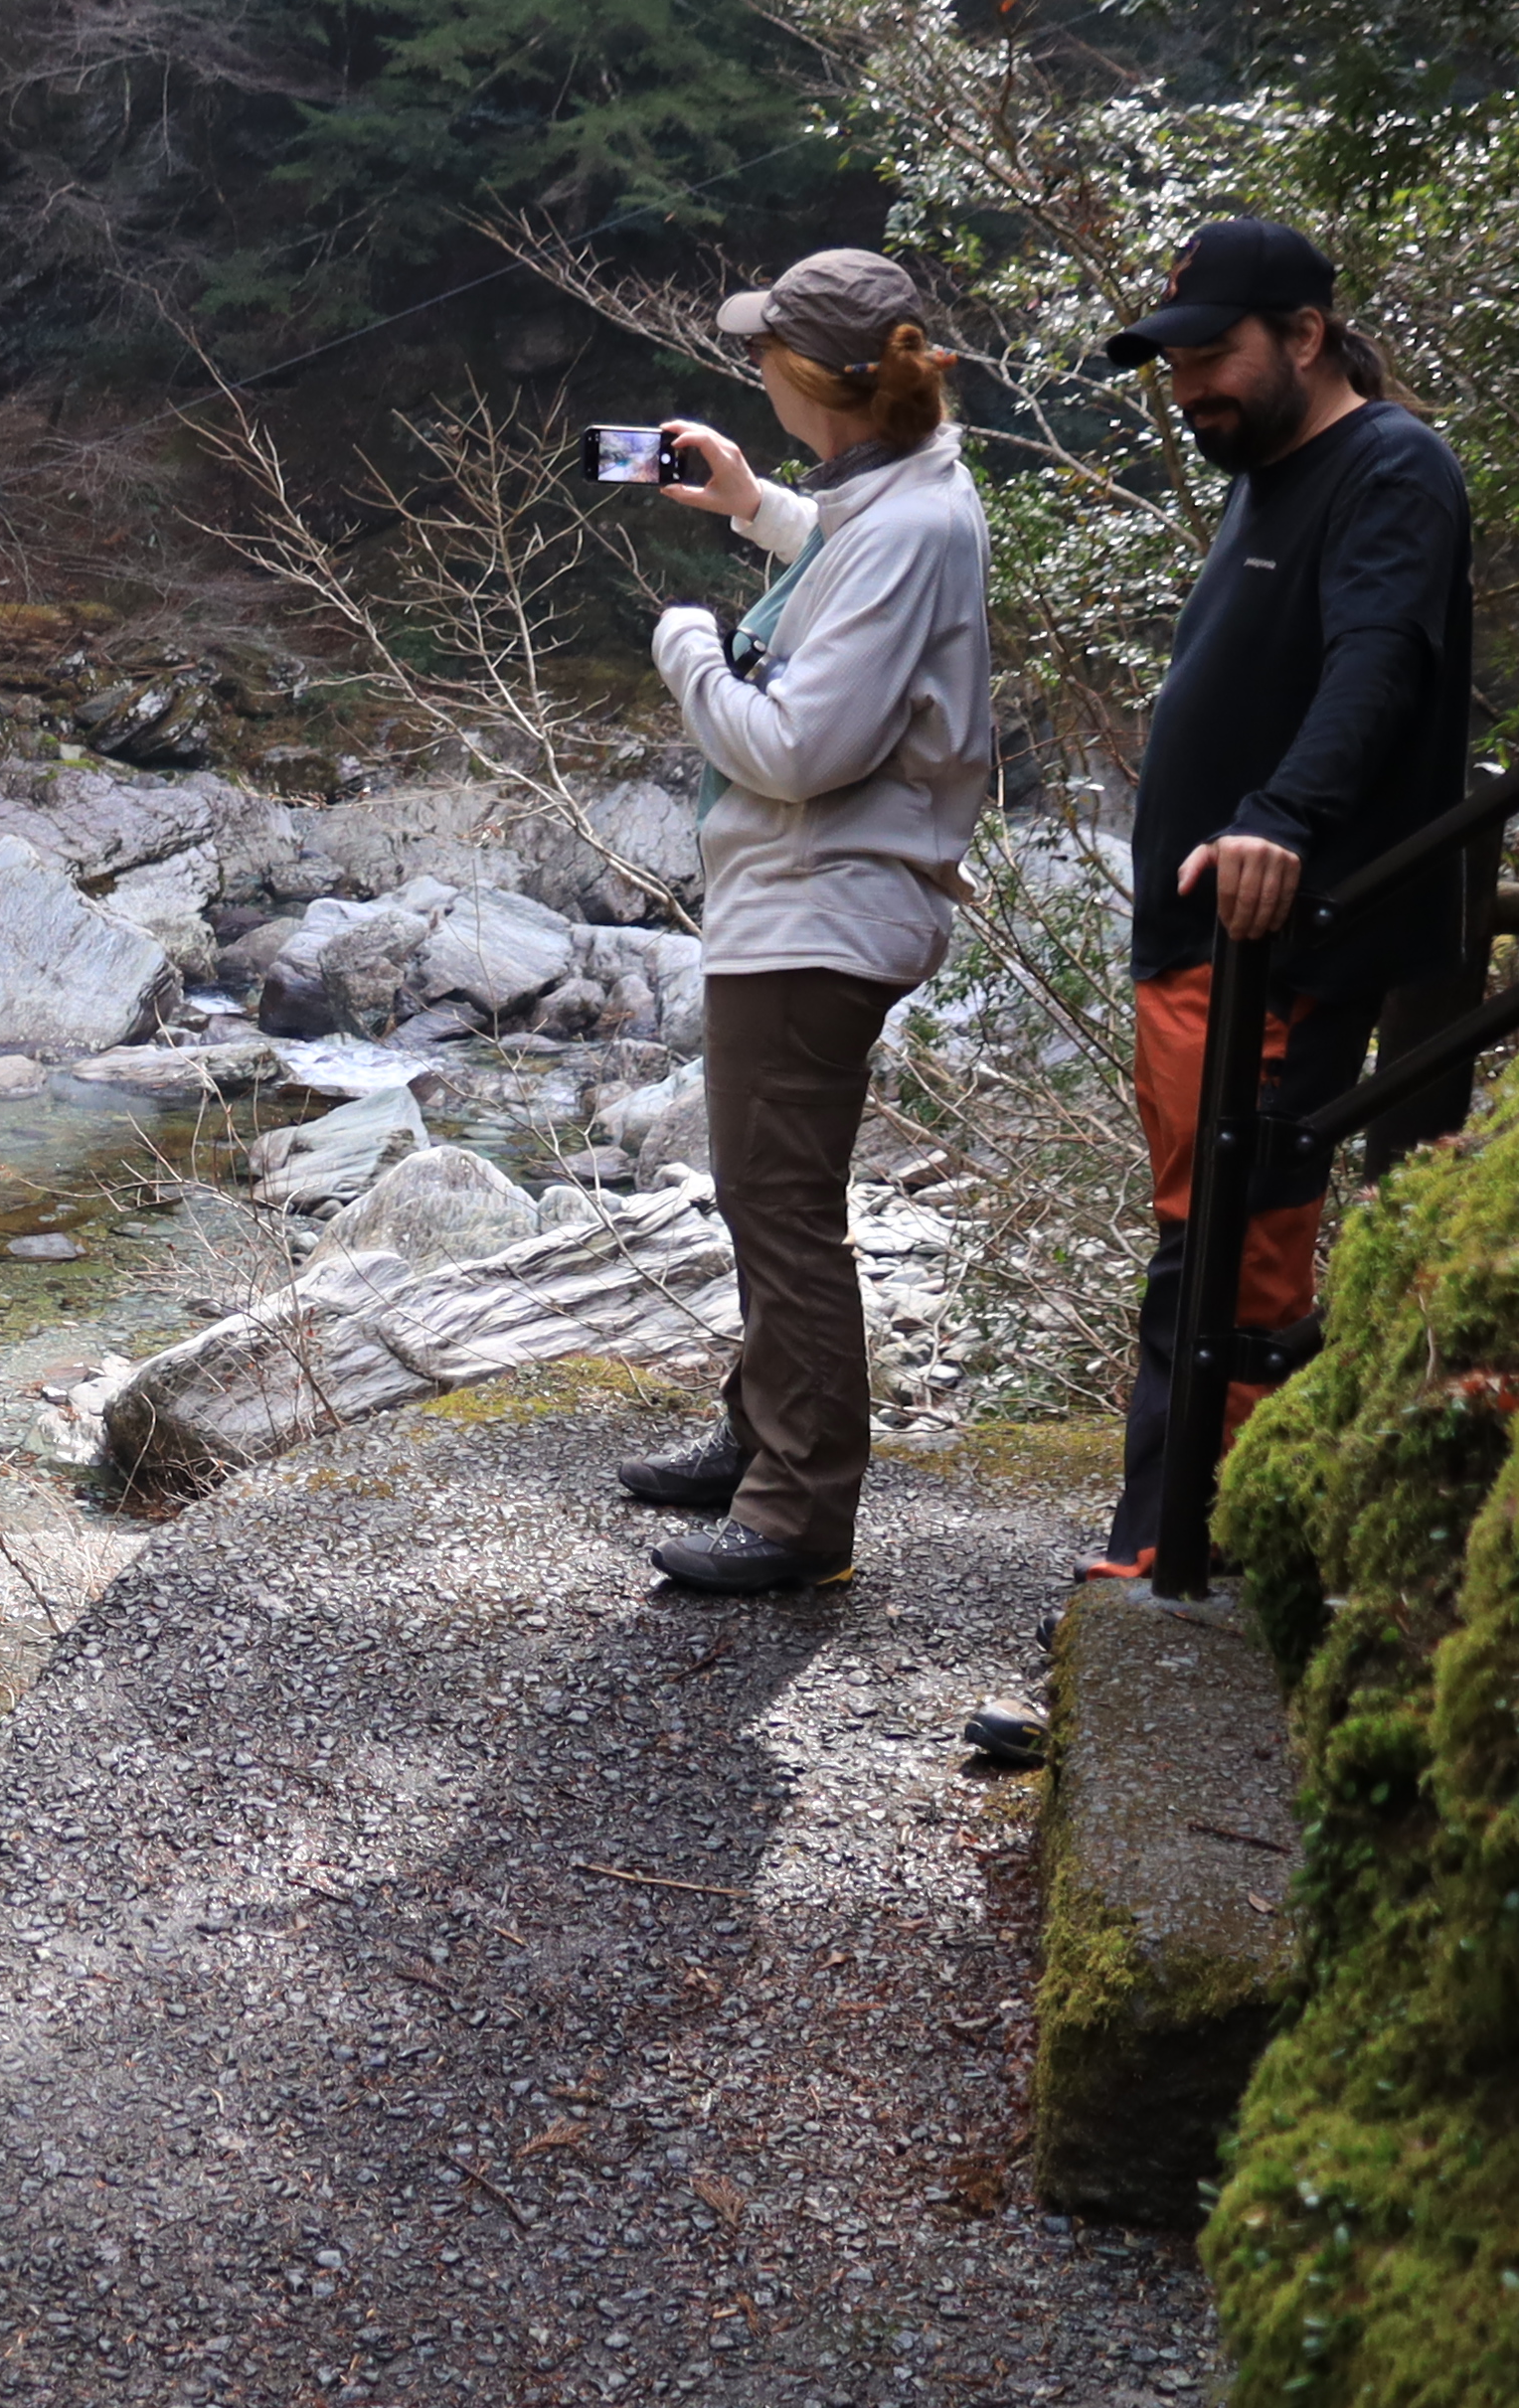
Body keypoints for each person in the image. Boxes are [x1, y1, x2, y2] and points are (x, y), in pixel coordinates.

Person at [1088, 218, 1471, 1576]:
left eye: (1211, 356)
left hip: (1279, 939)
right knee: (1196, 1237)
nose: (1186, 387)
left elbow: (1382, 663)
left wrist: (1281, 819)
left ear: (1305, 336)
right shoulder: (1267, 468)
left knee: (1237, 1252)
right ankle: (1170, 1540)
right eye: (1172, 363)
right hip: (1195, 940)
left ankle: (1187, 1562)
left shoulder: (1391, 468)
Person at [610, 248, 995, 1594]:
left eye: (761, 353)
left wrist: (688, 650)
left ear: (798, 378)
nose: (750, 368)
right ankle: (755, 1436)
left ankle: (795, 1508)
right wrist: (753, 502)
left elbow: (796, 747)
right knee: (772, 1196)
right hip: (816, 898)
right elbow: (850, 561)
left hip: (820, 905)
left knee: (779, 1206)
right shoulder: (906, 483)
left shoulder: (906, 524)